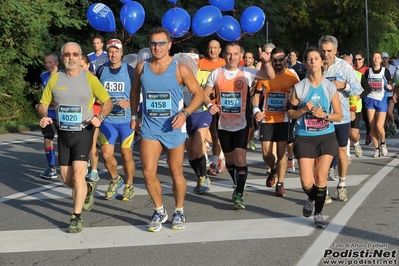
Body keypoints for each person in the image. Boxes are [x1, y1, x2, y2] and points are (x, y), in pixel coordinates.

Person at [130, 27, 204, 232]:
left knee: (175, 172)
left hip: (174, 128)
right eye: (153, 43)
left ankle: (179, 210)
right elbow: (135, 90)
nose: (157, 47)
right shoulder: (142, 67)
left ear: (170, 45)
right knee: (147, 172)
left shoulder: (180, 69)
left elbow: (198, 94)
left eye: (161, 43)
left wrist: (185, 113)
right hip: (150, 128)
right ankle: (159, 210)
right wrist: (134, 116)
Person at [37, 42, 112, 233]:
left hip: (83, 132)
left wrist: (100, 117)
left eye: (75, 54)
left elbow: (107, 101)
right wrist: (43, 115)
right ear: (62, 58)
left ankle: (76, 217)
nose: (71, 57)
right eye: (67, 54)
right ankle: (86, 188)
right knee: (66, 178)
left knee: (78, 173)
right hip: (63, 133)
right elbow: (43, 103)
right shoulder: (55, 79)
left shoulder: (90, 79)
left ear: (80, 58)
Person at [203, 42, 275, 210]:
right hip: (223, 124)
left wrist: (267, 61)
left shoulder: (246, 73)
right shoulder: (216, 74)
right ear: (224, 55)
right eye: (229, 53)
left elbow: (270, 76)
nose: (232, 57)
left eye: (235, 54)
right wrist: (209, 105)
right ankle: (237, 183)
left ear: (241, 56)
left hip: (242, 123)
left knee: (240, 158)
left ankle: (239, 193)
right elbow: (204, 95)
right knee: (229, 160)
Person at [287, 47, 342, 228]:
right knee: (306, 181)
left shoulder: (329, 87)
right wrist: (303, 110)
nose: (313, 62)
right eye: (309, 59)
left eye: (316, 58)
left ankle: (318, 214)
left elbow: (339, 116)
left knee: (321, 177)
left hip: (326, 135)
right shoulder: (299, 88)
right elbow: (290, 113)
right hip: (304, 136)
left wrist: (323, 115)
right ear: (305, 63)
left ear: (321, 62)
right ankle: (311, 197)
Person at [318, 35, 362, 203]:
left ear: (335, 50)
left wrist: (343, 85)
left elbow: (357, 89)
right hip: (320, 117)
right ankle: (323, 188)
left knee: (341, 153)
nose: (326, 54)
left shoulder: (344, 67)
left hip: (340, 118)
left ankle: (341, 185)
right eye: (323, 51)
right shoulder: (315, 65)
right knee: (322, 154)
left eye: (329, 51)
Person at [253, 47, 299, 197]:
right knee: (266, 153)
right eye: (275, 60)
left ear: (286, 59)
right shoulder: (265, 76)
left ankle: (280, 183)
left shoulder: (292, 77)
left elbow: (298, 97)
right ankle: (273, 170)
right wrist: (256, 110)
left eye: (281, 60)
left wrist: (292, 106)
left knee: (281, 152)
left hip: (284, 118)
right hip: (267, 118)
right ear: (271, 61)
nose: (278, 63)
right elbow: (256, 95)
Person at [97, 39, 136, 201]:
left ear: (122, 53)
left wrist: (129, 103)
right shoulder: (101, 70)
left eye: (116, 51)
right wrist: (101, 102)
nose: (113, 54)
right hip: (107, 120)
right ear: (107, 53)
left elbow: (139, 92)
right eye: (110, 51)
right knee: (106, 155)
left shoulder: (130, 71)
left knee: (126, 154)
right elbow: (95, 92)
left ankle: (129, 185)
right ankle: (115, 179)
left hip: (125, 120)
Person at [182, 47, 213, 193]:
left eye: (194, 60)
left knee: (197, 147)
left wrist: (209, 104)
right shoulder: (179, 74)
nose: (191, 63)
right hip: (186, 115)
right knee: (190, 152)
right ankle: (200, 176)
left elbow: (204, 93)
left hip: (203, 113)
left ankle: (203, 177)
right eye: (188, 60)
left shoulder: (205, 74)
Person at [198, 40, 227, 176]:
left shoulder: (224, 64)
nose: (212, 50)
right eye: (210, 48)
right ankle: (210, 160)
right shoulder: (200, 63)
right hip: (203, 104)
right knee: (203, 135)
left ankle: (215, 162)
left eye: (215, 48)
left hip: (219, 105)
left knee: (216, 134)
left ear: (220, 50)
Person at [342, 55, 372, 159]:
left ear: (352, 65)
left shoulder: (358, 75)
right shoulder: (338, 76)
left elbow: (368, 89)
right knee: (344, 133)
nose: (348, 66)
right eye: (345, 64)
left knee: (353, 134)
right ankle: (346, 155)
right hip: (341, 108)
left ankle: (356, 144)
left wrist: (360, 96)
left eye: (350, 64)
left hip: (356, 108)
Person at [364, 52, 393, 157]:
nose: (376, 59)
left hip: (381, 100)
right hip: (369, 100)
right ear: (372, 59)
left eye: (378, 58)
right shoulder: (368, 72)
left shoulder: (385, 71)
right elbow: (365, 85)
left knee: (379, 126)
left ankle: (383, 143)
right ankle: (376, 149)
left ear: (381, 60)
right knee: (372, 127)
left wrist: (390, 87)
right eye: (374, 58)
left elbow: (390, 83)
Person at [80, 54, 101, 182]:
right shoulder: (75, 79)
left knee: (92, 144)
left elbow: (101, 99)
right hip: (81, 115)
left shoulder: (93, 79)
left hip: (94, 114)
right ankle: (84, 163)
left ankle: (94, 171)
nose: (80, 69)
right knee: (82, 144)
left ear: (88, 65)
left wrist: (92, 98)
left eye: (82, 66)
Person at [38, 52, 59, 179]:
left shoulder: (63, 75)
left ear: (57, 63)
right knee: (47, 139)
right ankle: (51, 168)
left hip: (62, 115)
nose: (47, 65)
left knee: (66, 142)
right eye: (46, 62)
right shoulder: (43, 76)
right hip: (48, 115)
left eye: (50, 62)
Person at [381, 52, 397, 137]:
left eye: (385, 58)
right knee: (384, 112)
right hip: (383, 93)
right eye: (383, 58)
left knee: (389, 111)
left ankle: (393, 124)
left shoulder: (393, 68)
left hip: (392, 92)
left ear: (388, 59)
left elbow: (395, 79)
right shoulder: (379, 69)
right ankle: (388, 127)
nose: (384, 60)